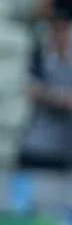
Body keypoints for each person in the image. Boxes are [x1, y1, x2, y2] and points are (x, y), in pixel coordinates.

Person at [17, 12, 72, 171]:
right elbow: (30, 89)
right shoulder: (39, 58)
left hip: (64, 150)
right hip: (37, 148)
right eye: (55, 29)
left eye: (63, 29)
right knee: (24, 194)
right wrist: (60, 97)